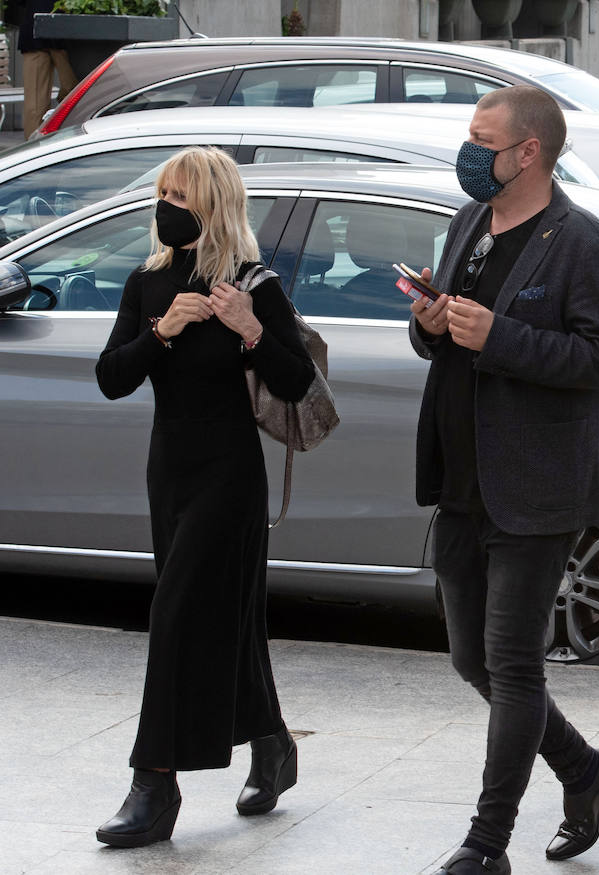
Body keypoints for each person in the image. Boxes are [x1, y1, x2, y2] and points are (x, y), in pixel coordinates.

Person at [408, 86, 599, 874]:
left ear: (528, 152)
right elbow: (446, 333)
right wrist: (430, 324)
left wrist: (502, 336)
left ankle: (486, 841)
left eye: (482, 138)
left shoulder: (579, 240)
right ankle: (584, 769)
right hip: (463, 479)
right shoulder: (468, 220)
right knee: (473, 660)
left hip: (536, 486)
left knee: (512, 663)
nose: (469, 151)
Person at [94, 147, 315, 847]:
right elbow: (111, 376)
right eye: (163, 191)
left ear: (213, 202)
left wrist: (249, 327)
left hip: (230, 479)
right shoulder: (146, 284)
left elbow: (297, 382)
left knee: (177, 613)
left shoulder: (254, 284)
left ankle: (154, 783)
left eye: (181, 193)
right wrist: (165, 330)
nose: (167, 204)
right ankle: (274, 744)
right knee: (231, 620)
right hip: (170, 474)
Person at [4, 0, 79, 139]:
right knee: (71, 94)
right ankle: (34, 151)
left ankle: (38, 149)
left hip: (56, 28)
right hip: (50, 28)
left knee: (73, 93)